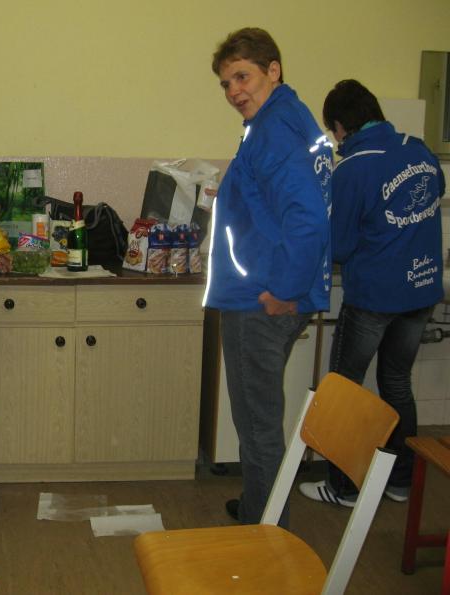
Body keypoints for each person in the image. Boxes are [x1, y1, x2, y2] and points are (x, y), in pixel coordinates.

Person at [204, 28, 332, 527]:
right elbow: (284, 204)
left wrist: (283, 291)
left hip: (260, 299)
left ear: (272, 69)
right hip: (266, 288)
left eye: (243, 77)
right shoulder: (285, 118)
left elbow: (307, 218)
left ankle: (266, 529)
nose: (234, 91)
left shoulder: (274, 128)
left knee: (257, 424)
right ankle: (261, 506)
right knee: (259, 418)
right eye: (226, 83)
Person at [299, 80, 445, 507]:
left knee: (346, 390)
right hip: (421, 289)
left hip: (375, 297)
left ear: (340, 126)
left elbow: (340, 247)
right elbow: (436, 192)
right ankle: (401, 482)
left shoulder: (354, 168)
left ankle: (342, 487)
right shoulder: (419, 150)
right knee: (397, 384)